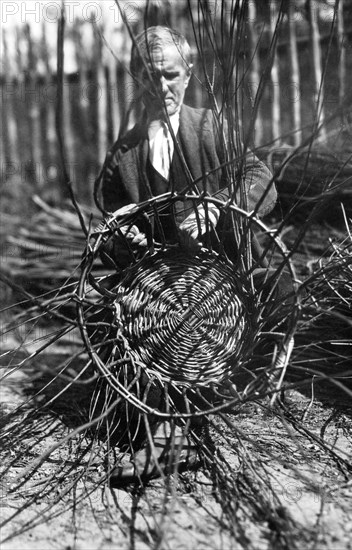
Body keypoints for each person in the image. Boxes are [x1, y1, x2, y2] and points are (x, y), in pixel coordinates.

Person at [95, 26, 283, 486]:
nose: (162, 88)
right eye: (149, 77)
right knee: (126, 335)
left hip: (224, 274)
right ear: (136, 79)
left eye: (171, 75)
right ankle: (171, 426)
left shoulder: (211, 127)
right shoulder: (124, 154)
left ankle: (173, 430)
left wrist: (217, 204)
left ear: (189, 72)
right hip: (161, 283)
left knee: (202, 340)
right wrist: (128, 242)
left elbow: (263, 181)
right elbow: (114, 225)